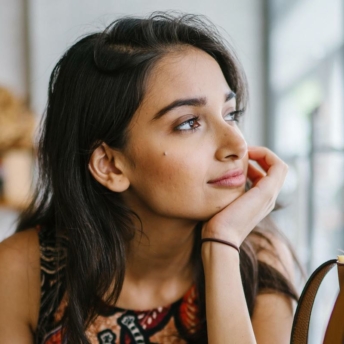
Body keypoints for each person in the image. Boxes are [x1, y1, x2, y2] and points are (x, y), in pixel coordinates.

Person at [0, 12, 300, 343]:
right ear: (111, 166)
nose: (237, 145)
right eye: (188, 123)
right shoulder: (20, 272)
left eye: (231, 114)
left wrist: (222, 245)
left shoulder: (261, 261)